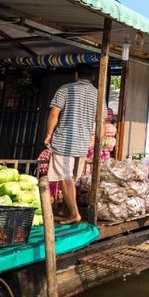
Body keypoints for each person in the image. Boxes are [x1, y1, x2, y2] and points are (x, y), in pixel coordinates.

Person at [44, 64, 98, 224]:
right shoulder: (97, 94)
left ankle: (74, 214)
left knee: (65, 177)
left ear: (76, 74)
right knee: (71, 179)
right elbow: (99, 119)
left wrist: (48, 134)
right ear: (93, 77)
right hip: (82, 144)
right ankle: (65, 211)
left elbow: (54, 114)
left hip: (64, 141)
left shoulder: (65, 89)